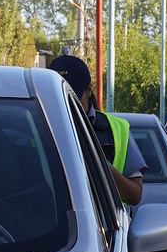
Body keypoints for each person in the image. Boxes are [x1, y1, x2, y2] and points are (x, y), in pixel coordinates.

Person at [48, 55, 146, 205]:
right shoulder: (36, 128)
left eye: (71, 96)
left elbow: (135, 195)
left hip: (104, 226)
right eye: (56, 96)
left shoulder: (116, 129)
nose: (64, 102)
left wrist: (99, 165)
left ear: (88, 90)